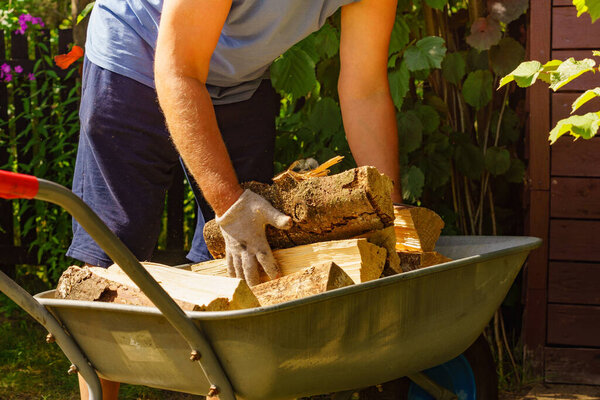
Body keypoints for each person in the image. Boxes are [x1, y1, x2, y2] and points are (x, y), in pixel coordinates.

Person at [68, 0, 401, 398]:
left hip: (237, 79)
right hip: (138, 53)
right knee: (113, 255)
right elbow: (178, 69)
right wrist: (229, 203)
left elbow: (365, 88)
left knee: (242, 261)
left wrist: (391, 212)